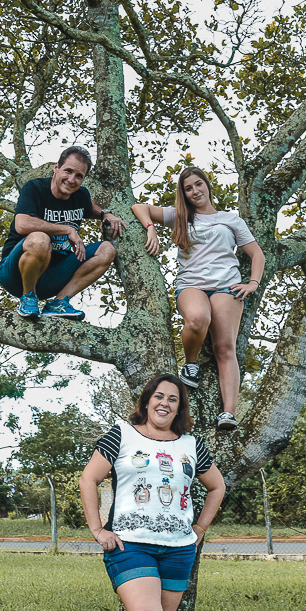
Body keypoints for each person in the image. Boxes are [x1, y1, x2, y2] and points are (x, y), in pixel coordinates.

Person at [79, 373, 226, 611]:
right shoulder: (121, 434)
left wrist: (200, 528)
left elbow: (217, 486)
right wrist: (98, 529)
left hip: (178, 548)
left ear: (180, 407)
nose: (164, 403)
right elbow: (89, 479)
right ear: (146, 402)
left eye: (172, 399)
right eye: (158, 396)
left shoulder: (191, 445)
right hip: (130, 545)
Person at [131, 167, 265, 431]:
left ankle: (228, 413)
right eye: (188, 189)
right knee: (197, 319)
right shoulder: (180, 216)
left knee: (225, 348)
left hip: (228, 287)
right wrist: (151, 230)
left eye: (198, 185)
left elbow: (257, 254)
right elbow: (139, 207)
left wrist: (252, 283)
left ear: (207, 185)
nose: (194, 192)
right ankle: (190, 365)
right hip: (192, 284)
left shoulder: (231, 220)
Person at [0, 145, 126, 321]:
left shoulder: (80, 196)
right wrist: (67, 229)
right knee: (40, 239)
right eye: (68, 171)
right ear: (56, 168)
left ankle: (59, 302)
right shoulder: (35, 188)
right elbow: (22, 224)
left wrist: (105, 213)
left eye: (79, 176)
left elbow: (89, 206)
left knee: (107, 250)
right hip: (15, 274)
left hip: (52, 278)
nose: (72, 180)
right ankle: (28, 297)